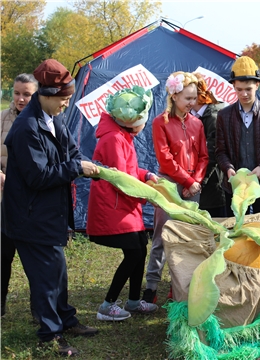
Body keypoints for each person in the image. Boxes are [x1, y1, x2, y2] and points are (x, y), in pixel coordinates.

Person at [0, 59, 99, 356]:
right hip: (29, 217)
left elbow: (71, 151)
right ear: (47, 94)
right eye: (64, 99)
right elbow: (38, 176)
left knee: (58, 272)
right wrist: (74, 168)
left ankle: (67, 320)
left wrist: (86, 164)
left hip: (50, 213)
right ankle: (50, 335)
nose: (66, 105)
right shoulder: (26, 128)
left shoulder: (53, 119)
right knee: (45, 279)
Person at [87, 85, 159, 321]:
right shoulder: (114, 139)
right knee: (133, 253)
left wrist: (146, 174)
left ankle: (134, 300)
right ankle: (107, 305)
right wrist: (148, 195)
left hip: (125, 206)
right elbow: (122, 181)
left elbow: (128, 169)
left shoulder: (121, 136)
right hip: (114, 207)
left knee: (139, 247)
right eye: (142, 123)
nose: (143, 127)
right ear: (132, 122)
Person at [142, 71, 209, 304]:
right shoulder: (160, 122)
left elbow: (203, 156)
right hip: (170, 185)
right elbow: (165, 158)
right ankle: (151, 286)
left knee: (188, 238)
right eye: (188, 98)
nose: (192, 103)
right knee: (162, 235)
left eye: (194, 98)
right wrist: (188, 182)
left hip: (193, 187)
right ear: (174, 96)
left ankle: (178, 286)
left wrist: (196, 182)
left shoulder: (197, 123)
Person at [215, 56, 260, 216]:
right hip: (235, 186)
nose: (244, 94)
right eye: (239, 89)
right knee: (237, 232)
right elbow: (220, 151)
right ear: (233, 86)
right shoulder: (223, 115)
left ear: (257, 85)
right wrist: (228, 169)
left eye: (248, 89)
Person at [1, 73, 38, 317]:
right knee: (3, 255)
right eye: (17, 93)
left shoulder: (40, 120)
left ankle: (40, 310)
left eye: (27, 94)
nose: (20, 99)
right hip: (4, 200)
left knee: (35, 259)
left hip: (31, 202)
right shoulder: (3, 118)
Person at [192, 73, 227, 218]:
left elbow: (212, 153)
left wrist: (199, 181)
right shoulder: (190, 115)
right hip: (195, 182)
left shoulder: (213, 117)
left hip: (211, 184)